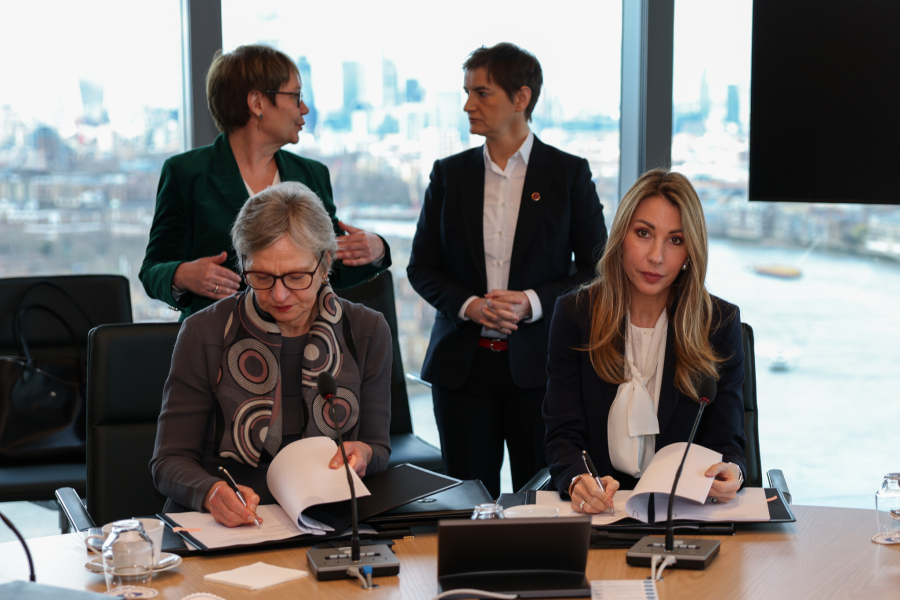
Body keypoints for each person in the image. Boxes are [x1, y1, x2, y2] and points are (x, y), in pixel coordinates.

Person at [407, 43, 607, 498]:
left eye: (481, 93)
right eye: (466, 92)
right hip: (462, 371)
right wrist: (470, 306)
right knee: (467, 505)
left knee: (542, 503)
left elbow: (598, 270)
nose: (468, 105)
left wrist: (532, 303)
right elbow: (421, 266)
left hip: (542, 371)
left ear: (521, 97)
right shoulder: (448, 174)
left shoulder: (568, 174)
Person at [150, 182, 391, 527]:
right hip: (223, 523)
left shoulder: (367, 331)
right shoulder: (204, 332)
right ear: (243, 264)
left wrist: (363, 453)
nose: (279, 295)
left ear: (325, 264)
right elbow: (168, 461)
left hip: (327, 515)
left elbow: (377, 447)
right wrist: (209, 492)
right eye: (261, 276)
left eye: (296, 276)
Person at [543, 169, 746, 515]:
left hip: (683, 512)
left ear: (690, 252)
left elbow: (727, 442)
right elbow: (563, 435)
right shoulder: (576, 314)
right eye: (643, 233)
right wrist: (578, 480)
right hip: (599, 512)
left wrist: (731, 473)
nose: (656, 256)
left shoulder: (718, 324)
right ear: (621, 236)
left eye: (675, 240)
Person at [140, 44, 389, 320]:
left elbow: (330, 267)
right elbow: (152, 270)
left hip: (300, 338)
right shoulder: (186, 173)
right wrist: (182, 275)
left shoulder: (312, 174)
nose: (304, 109)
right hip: (215, 336)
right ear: (257, 103)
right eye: (295, 96)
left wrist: (378, 249)